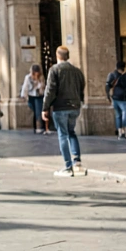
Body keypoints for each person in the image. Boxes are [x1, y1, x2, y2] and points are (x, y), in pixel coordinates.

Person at [43, 46, 86, 177]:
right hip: (74, 107)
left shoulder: (54, 70)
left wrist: (45, 107)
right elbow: (82, 85)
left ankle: (68, 166)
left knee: (63, 135)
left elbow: (50, 89)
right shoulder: (77, 71)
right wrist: (79, 100)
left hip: (60, 107)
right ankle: (77, 162)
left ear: (57, 55)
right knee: (71, 132)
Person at [107, 60, 126, 140]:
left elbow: (107, 86)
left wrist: (108, 96)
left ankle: (119, 132)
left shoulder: (112, 75)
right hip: (123, 98)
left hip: (115, 98)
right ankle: (125, 132)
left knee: (118, 115)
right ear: (124, 67)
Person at [21, 65, 47, 134]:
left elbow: (43, 86)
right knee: (35, 111)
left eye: (37, 73)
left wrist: (40, 87)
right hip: (31, 95)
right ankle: (35, 127)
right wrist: (23, 96)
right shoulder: (28, 77)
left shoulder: (41, 77)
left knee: (38, 111)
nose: (36, 75)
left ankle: (40, 127)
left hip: (39, 96)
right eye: (35, 73)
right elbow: (25, 87)